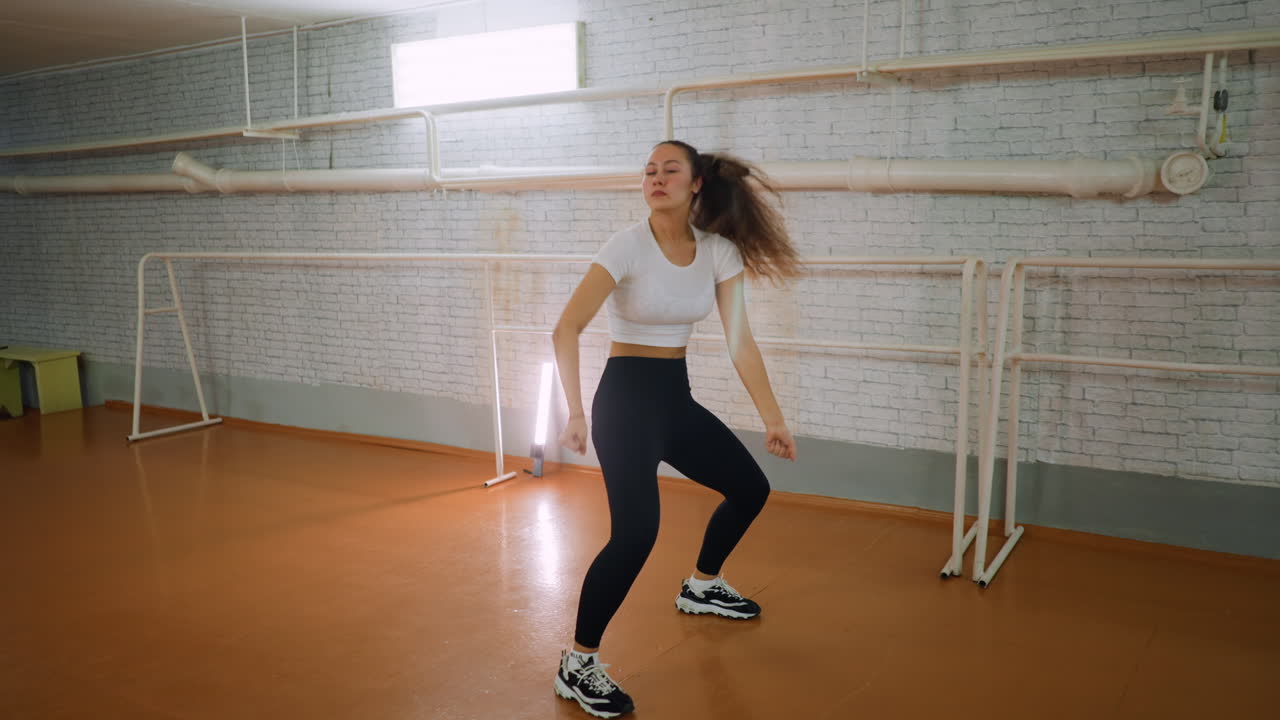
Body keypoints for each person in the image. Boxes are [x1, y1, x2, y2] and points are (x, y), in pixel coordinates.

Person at [549, 139, 801, 718]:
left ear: (696, 184)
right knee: (636, 535)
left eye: (670, 170)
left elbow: (740, 340)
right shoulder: (626, 246)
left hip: (674, 400)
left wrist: (774, 418)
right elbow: (566, 328)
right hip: (624, 403)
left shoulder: (718, 253)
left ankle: (702, 586)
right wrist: (575, 411)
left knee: (750, 488)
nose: (656, 179)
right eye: (649, 172)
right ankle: (578, 663)